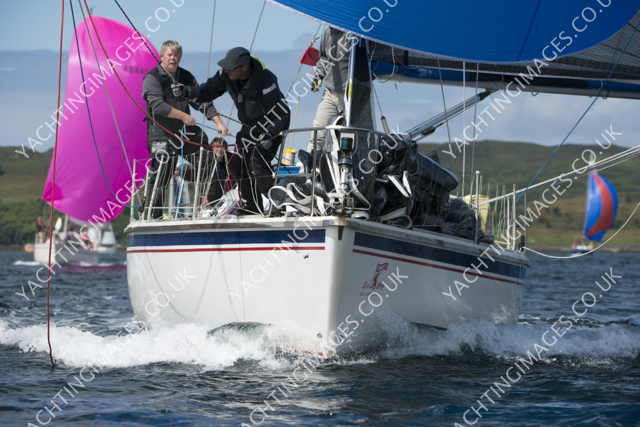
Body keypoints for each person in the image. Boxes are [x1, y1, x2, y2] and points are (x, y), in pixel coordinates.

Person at [178, 47, 290, 215]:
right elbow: (206, 91)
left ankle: (279, 205)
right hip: (250, 125)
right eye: (225, 67)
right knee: (236, 163)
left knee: (257, 160)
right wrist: (186, 91)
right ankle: (252, 207)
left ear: (244, 67)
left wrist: (268, 134)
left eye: (231, 67)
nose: (226, 70)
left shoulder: (265, 80)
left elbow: (280, 113)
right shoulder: (226, 74)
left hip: (273, 125)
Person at [142, 40, 231, 219]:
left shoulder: (187, 77)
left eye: (176, 55)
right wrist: (183, 116)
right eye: (170, 55)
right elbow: (158, 106)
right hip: (161, 133)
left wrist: (219, 123)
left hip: (185, 132)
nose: (173, 58)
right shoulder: (152, 78)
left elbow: (202, 101)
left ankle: (212, 205)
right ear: (162, 56)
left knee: (209, 160)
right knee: (162, 174)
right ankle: (153, 215)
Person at [308, 27, 352, 152]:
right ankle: (311, 163)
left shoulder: (353, 34)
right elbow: (324, 58)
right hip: (329, 92)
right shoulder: (327, 32)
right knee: (317, 136)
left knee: (350, 137)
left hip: (350, 94)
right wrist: (317, 77)